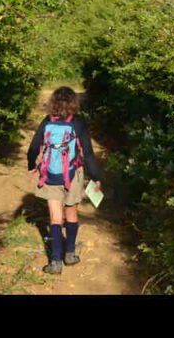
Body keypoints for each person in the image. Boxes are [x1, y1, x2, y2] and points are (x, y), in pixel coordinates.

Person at [26, 86, 102, 274]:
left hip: (51, 175)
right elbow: (89, 154)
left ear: (53, 102)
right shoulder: (78, 123)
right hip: (73, 175)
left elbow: (33, 148)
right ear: (74, 103)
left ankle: (55, 262)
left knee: (55, 218)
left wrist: (31, 165)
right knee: (71, 214)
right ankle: (70, 254)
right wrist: (95, 177)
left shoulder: (46, 121)